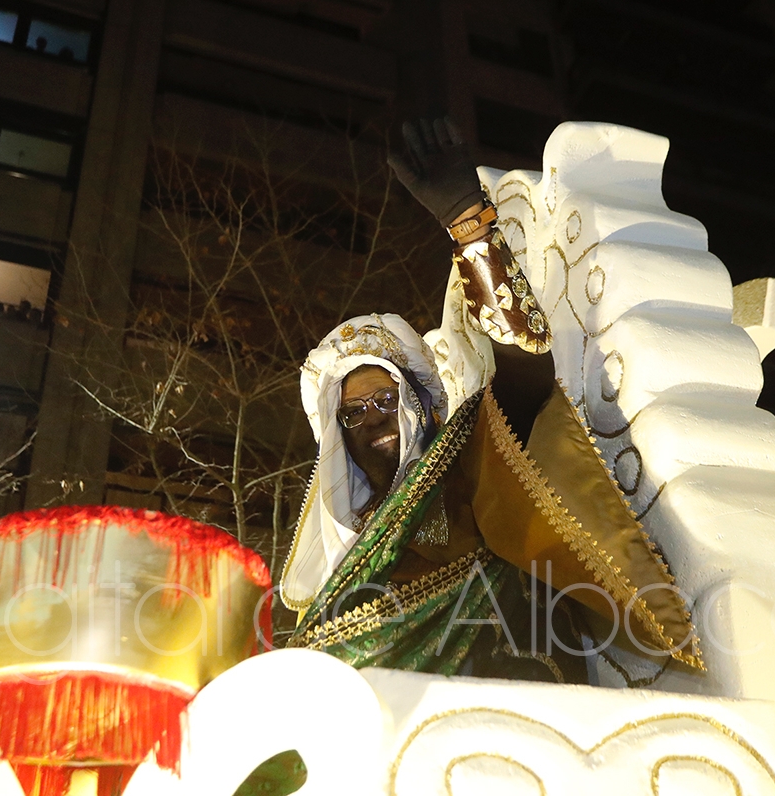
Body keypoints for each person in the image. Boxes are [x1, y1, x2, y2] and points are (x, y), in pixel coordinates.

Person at [281, 119, 702, 681]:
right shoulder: (338, 561)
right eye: (352, 414)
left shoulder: (466, 459)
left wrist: (467, 223)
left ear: (423, 406)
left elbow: (526, 364)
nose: (370, 420)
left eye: (383, 398)